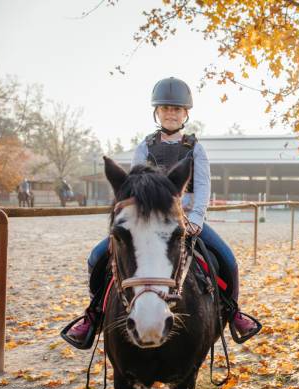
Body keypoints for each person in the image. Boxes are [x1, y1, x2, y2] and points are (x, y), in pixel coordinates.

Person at [63, 77, 260, 349]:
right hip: (149, 220)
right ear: (156, 111)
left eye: (177, 109)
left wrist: (195, 220)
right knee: (97, 256)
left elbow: (203, 188)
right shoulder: (144, 147)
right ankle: (94, 315)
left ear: (186, 113)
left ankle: (234, 312)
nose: (171, 113)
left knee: (227, 259)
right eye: (166, 108)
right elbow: (132, 186)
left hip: (187, 219)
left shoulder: (196, 149)